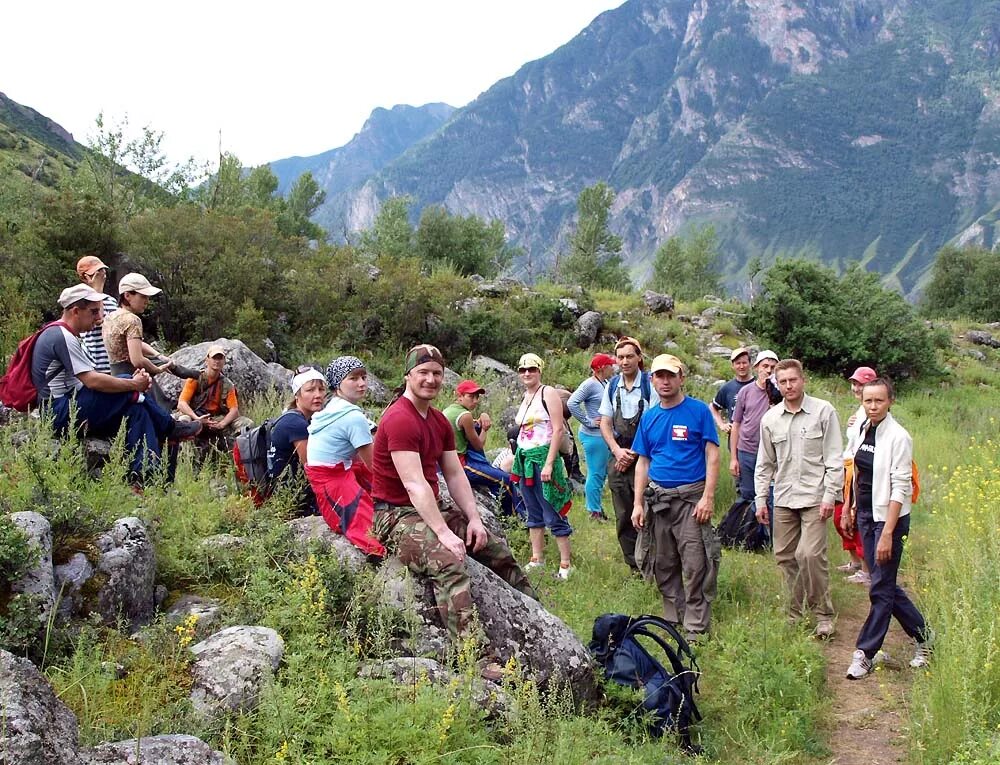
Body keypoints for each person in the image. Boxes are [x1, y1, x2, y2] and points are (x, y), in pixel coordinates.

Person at [370, 344, 536, 650]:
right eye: (423, 372)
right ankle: (474, 654)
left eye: (436, 373)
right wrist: (445, 533)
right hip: (394, 514)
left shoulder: (438, 421)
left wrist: (474, 519)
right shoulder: (399, 419)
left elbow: (455, 474)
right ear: (408, 376)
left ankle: (536, 612)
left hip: (429, 506)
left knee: (494, 547)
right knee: (448, 561)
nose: (430, 379)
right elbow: (413, 484)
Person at [31, 284, 201, 487]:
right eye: (93, 312)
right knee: (131, 391)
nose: (98, 318)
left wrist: (130, 384)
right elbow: (92, 380)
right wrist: (133, 384)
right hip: (58, 411)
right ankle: (170, 427)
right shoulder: (63, 337)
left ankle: (144, 477)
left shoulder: (63, 334)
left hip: (67, 404)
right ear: (76, 311)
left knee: (136, 411)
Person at [843, 377, 931, 679]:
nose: (873, 406)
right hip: (866, 515)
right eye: (868, 400)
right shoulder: (860, 428)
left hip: (889, 518)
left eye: (879, 400)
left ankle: (864, 653)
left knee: (880, 587)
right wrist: (850, 508)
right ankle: (925, 639)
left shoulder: (898, 437)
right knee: (885, 584)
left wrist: (888, 533)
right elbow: (855, 471)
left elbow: (900, 488)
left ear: (890, 400)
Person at [631, 354, 720, 642]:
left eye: (671, 375)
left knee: (695, 562)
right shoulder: (650, 416)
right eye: (659, 376)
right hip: (658, 500)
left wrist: (708, 497)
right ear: (652, 380)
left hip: (691, 500)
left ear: (681, 377)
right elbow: (642, 462)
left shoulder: (698, 412)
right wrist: (637, 504)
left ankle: (695, 625)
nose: (665, 381)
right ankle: (673, 617)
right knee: (663, 561)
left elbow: (712, 454)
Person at [755, 359, 844, 638]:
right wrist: (760, 499)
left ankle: (824, 614)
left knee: (810, 554)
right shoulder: (770, 419)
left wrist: (831, 494)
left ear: (802, 380)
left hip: (815, 496)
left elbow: (834, 457)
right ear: (776, 385)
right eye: (782, 382)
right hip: (783, 497)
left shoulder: (823, 411)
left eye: (793, 380)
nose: (788, 386)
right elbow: (765, 463)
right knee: (784, 557)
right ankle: (795, 614)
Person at [306, 357, 385, 555]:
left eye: (364, 377)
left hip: (331, 477)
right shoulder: (352, 417)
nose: (362, 383)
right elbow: (374, 465)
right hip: (333, 483)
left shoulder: (333, 407)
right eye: (353, 378)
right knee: (372, 534)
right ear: (338, 384)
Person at [511, 352, 574, 578]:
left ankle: (566, 563)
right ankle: (536, 558)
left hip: (544, 457)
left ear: (539, 371)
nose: (527, 373)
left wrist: (549, 463)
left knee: (552, 507)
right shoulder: (526, 396)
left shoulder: (548, 393)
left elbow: (558, 429)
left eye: (532, 369)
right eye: (523, 370)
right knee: (532, 508)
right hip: (525, 457)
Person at [599, 337, 653, 570]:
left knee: (648, 511)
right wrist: (616, 450)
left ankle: (651, 562)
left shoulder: (651, 385)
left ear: (639, 358)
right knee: (623, 513)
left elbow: (656, 422)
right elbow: (604, 422)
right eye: (620, 357)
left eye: (629, 356)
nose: (624, 361)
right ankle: (633, 566)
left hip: (645, 456)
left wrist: (635, 453)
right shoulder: (612, 386)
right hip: (618, 453)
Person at [442, 380, 526, 519]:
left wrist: (482, 417)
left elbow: (471, 426)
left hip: (446, 463)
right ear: (459, 396)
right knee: (506, 480)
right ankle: (516, 519)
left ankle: (502, 510)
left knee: (496, 478)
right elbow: (478, 445)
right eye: (471, 396)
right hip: (461, 465)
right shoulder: (465, 416)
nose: (475, 401)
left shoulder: (449, 410)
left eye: (477, 397)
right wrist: (485, 430)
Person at [101, 273, 175, 411]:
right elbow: (138, 361)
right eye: (143, 296)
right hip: (133, 375)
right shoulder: (133, 320)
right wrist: (156, 369)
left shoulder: (110, 317)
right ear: (127, 295)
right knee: (159, 412)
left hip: (115, 375)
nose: (147, 301)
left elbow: (133, 345)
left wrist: (157, 356)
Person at [265, 367, 327, 517]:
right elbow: (311, 468)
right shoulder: (296, 424)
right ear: (297, 395)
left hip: (282, 493)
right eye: (310, 390)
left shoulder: (292, 417)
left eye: (321, 389)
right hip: (294, 500)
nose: (317, 395)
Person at [837, 366, 878, 586]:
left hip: (860, 470)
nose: (856, 388)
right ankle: (854, 561)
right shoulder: (860, 411)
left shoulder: (873, 412)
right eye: (854, 383)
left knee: (858, 516)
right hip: (848, 465)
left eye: (860, 384)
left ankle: (866, 569)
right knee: (841, 516)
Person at [568, 352, 616, 521]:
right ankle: (593, 512)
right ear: (602, 368)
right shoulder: (589, 384)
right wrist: (588, 421)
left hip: (603, 435)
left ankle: (597, 508)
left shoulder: (605, 382)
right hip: (594, 436)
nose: (613, 367)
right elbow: (572, 402)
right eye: (610, 365)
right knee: (595, 473)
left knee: (601, 473)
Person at [175, 345, 253, 445]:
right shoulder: (195, 378)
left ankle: (239, 454)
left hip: (214, 418)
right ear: (207, 360)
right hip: (194, 415)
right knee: (184, 420)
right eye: (214, 358)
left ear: (224, 361)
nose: (217, 361)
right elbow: (181, 404)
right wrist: (197, 418)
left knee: (246, 423)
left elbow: (234, 411)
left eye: (220, 358)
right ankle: (186, 456)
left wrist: (221, 424)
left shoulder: (227, 385)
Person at [729, 350, 779, 504]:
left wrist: (773, 391)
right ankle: (747, 527)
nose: (768, 370)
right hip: (747, 451)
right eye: (765, 366)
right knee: (748, 496)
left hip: (773, 454)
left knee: (771, 496)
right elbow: (736, 424)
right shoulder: (746, 391)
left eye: (773, 367)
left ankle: (768, 528)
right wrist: (733, 458)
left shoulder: (781, 393)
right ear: (757, 367)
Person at [74, 256, 119, 374]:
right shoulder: (80, 300)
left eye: (102, 270)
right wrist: (97, 288)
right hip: (96, 367)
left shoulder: (111, 300)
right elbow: (98, 319)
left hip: (115, 365)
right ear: (85, 277)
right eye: (96, 272)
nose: (101, 275)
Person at [710, 347, 754, 439]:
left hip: (756, 440)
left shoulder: (758, 385)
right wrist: (722, 424)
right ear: (732, 365)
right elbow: (713, 407)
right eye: (738, 363)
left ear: (750, 364)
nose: (741, 366)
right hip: (735, 440)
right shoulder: (727, 388)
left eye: (744, 363)